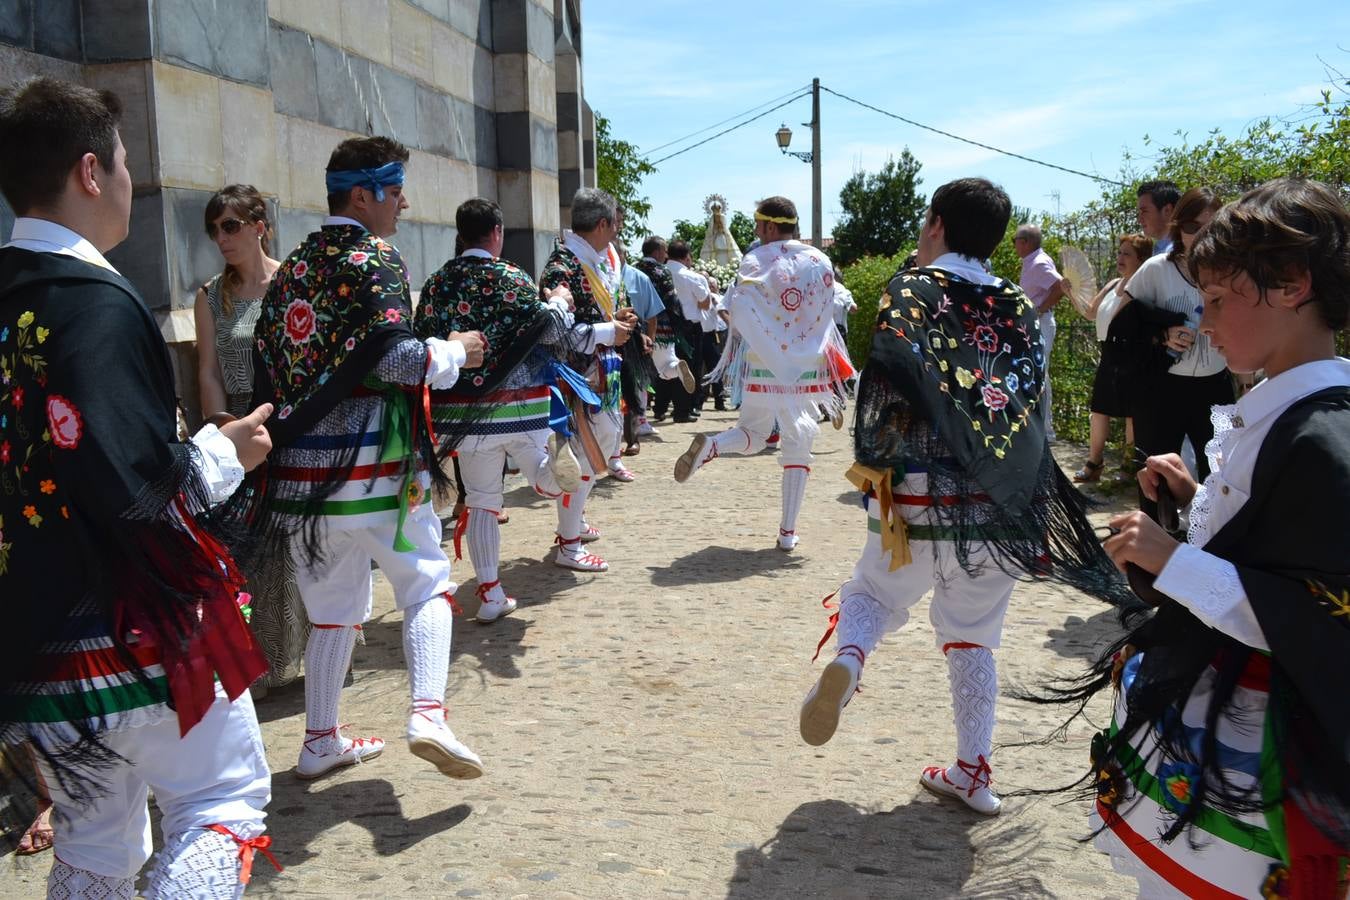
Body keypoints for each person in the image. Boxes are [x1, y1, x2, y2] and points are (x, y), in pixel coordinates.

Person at [1, 76, 278, 896]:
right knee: (221, 802)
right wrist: (227, 454)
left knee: (94, 843)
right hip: (126, 624)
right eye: (123, 160)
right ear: (91, 172)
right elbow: (133, 488)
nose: (127, 178)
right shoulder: (90, 300)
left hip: (29, 637)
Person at [796, 178, 1128, 816]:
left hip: (918, 490)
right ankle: (974, 771)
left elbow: (887, 382)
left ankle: (852, 661)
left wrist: (877, 472)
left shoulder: (912, 290)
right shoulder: (1015, 303)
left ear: (938, 224)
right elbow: (1029, 403)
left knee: (872, 594)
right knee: (973, 635)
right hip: (999, 498)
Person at [1082, 178, 1350, 897]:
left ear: (1291, 286)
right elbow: (1281, 542)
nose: (1204, 319)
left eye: (1221, 299)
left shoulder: (1322, 440)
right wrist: (1196, 500)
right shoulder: (1292, 416)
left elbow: (1313, 614)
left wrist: (1171, 561)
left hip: (1259, 759)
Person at [243, 135, 489, 782]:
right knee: (426, 583)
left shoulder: (291, 268)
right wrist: (457, 350)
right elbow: (398, 359)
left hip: (299, 481)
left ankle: (320, 740)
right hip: (374, 468)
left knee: (333, 614)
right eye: (396, 187)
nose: (404, 201)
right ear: (363, 194)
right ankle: (429, 714)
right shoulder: (372, 256)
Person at [414, 197, 590, 623]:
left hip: (464, 415)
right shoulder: (512, 276)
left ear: (460, 234)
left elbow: (424, 340)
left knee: (482, 502)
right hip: (521, 404)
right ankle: (552, 475)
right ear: (497, 233)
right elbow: (550, 331)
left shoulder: (439, 282)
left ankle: (491, 593)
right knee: (541, 470)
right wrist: (562, 301)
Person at [672, 196, 854, 552]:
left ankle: (712, 446)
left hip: (763, 360)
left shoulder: (756, 259)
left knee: (754, 434)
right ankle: (788, 532)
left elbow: (737, 305)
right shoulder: (819, 259)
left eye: (758, 225)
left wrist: (763, 339)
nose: (756, 232)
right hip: (805, 364)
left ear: (771, 226)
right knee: (799, 441)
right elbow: (831, 305)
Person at [194, 184, 309, 694]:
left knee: (298, 544)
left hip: (293, 426)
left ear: (259, 225)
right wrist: (221, 427)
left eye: (231, 226)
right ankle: (254, 669)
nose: (221, 238)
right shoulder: (209, 295)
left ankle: (305, 659)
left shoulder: (293, 281)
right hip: (238, 433)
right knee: (247, 547)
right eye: (215, 228)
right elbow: (208, 369)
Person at [538, 187, 637, 572]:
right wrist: (608, 331)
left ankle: (572, 521)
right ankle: (569, 544)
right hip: (575, 378)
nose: (617, 232)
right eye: (615, 225)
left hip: (600, 373)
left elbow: (600, 315)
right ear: (602, 224)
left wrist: (617, 322)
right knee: (579, 458)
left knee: (596, 450)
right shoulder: (563, 267)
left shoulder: (595, 259)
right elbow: (556, 332)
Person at [1123, 187, 1232, 520]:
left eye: (1210, 229)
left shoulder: (1231, 272)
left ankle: (1216, 551)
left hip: (1216, 385)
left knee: (1223, 473)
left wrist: (1246, 380)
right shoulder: (1157, 269)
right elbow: (1123, 326)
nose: (1200, 237)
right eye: (1192, 227)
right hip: (1162, 388)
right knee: (1155, 477)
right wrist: (1162, 335)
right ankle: (1154, 558)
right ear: (1177, 225)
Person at [1072, 233, 1156, 482]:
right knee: (1099, 410)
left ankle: (1129, 467)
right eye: (1119, 252)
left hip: (1134, 354)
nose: (1120, 257)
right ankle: (1094, 462)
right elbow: (1090, 313)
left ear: (1141, 259)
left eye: (1127, 253)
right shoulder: (1112, 284)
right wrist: (1070, 293)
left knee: (1132, 414)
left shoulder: (1144, 286)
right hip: (1108, 353)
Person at [635, 236, 698, 423]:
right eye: (664, 251)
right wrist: (679, 323)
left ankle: (640, 419)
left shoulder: (633, 269)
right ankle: (677, 367)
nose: (666, 255)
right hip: (662, 328)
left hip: (637, 328)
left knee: (640, 375)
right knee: (665, 368)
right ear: (656, 252)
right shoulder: (662, 271)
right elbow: (672, 300)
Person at [1013, 223, 1065, 439]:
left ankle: (1045, 430)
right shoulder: (1033, 261)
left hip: (1040, 323)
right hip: (1036, 323)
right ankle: (1039, 427)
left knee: (1039, 374)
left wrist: (1039, 310)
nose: (1014, 245)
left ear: (1025, 242)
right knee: (1034, 373)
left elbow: (1061, 285)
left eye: (1015, 240)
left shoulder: (1039, 262)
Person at [666, 240, 720, 417]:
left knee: (668, 365)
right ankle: (686, 408)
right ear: (686, 256)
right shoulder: (692, 277)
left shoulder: (661, 272)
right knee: (691, 367)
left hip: (665, 323)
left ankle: (663, 407)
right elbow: (705, 304)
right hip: (689, 326)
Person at [1135, 179, 1181, 256]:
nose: (1139, 220)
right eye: (1139, 213)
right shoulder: (1158, 250)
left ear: (1167, 210)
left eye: (1144, 211)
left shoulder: (1177, 253)